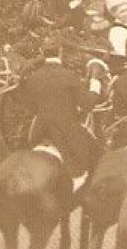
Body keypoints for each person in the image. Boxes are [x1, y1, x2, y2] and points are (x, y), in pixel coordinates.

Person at [23, 37, 99, 179]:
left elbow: (30, 107)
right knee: (91, 163)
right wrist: (95, 82)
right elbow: (88, 104)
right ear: (60, 52)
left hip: (39, 132)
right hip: (67, 133)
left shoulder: (33, 77)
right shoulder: (69, 76)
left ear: (42, 52)